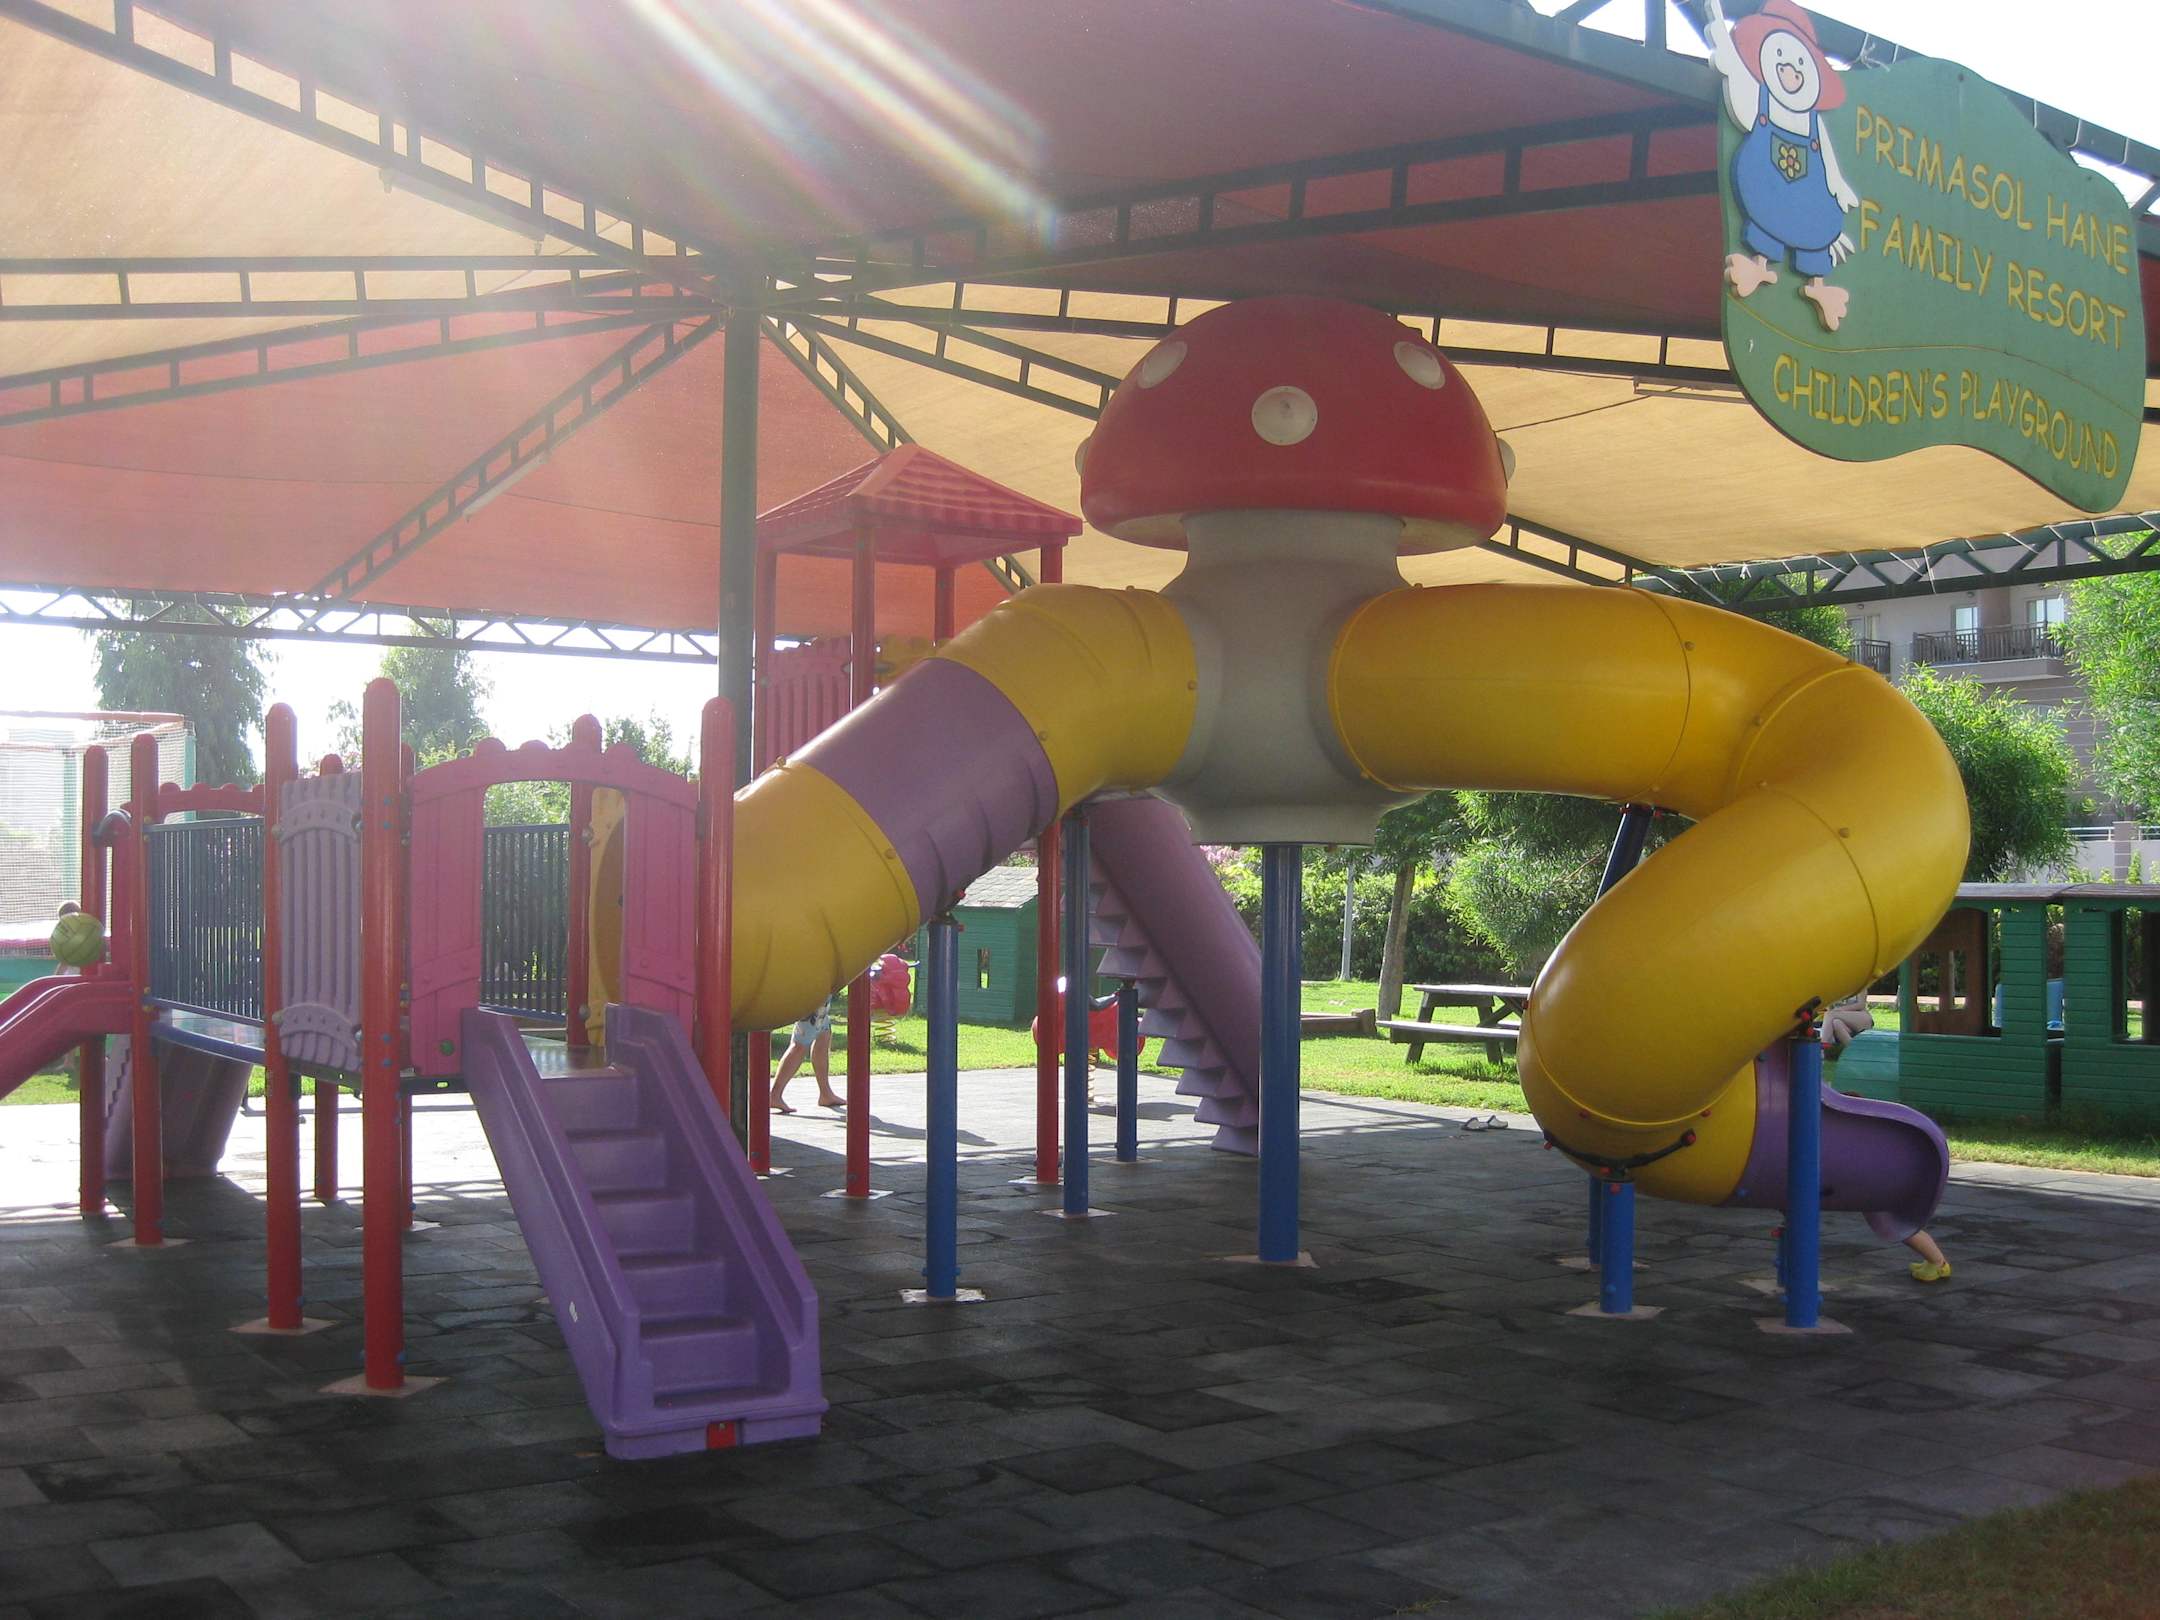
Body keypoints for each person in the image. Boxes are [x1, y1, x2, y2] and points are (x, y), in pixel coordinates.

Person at [769, 996, 841, 1113]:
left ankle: (826, 1093)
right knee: (800, 1044)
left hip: (820, 996)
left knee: (824, 1033)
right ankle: (775, 1095)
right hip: (815, 995)